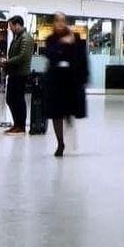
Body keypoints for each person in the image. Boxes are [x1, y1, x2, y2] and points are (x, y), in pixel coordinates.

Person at [45, 12, 88, 157]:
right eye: (57, 20)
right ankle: (60, 143)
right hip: (56, 81)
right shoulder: (51, 39)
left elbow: (82, 58)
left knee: (69, 110)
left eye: (62, 20)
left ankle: (69, 121)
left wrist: (84, 78)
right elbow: (49, 54)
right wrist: (62, 42)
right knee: (56, 114)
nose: (60, 23)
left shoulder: (75, 38)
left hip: (71, 81)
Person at [0, 15, 34, 135]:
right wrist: (7, 63)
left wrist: (7, 62)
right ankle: (17, 124)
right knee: (11, 99)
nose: (10, 29)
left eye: (11, 26)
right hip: (14, 73)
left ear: (17, 25)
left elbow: (23, 56)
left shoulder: (25, 38)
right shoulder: (18, 37)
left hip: (20, 73)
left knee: (18, 99)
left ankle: (21, 126)